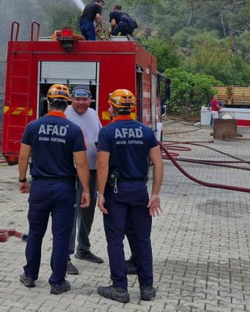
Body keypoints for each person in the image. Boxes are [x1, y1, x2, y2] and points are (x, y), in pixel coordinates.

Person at [17, 84, 90, 295]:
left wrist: (23, 180)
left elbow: (23, 156)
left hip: (39, 186)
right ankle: (57, 282)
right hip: (64, 188)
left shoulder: (33, 126)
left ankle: (30, 275)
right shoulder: (74, 130)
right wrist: (86, 190)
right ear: (66, 103)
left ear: (47, 102)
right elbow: (82, 164)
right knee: (60, 235)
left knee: (35, 233)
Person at [96, 89, 163, 304]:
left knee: (115, 240)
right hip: (139, 192)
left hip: (116, 191)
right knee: (142, 239)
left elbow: (103, 164)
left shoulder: (107, 132)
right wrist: (155, 194)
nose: (108, 108)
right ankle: (147, 287)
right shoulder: (145, 132)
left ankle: (119, 288)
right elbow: (158, 163)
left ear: (114, 108)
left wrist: (100, 193)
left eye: (109, 105)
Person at [65, 85, 104, 275]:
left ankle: (83, 248)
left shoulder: (94, 114)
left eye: (85, 99)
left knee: (88, 211)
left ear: (90, 99)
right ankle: (65, 255)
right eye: (77, 99)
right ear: (71, 99)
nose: (81, 103)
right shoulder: (66, 115)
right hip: (72, 172)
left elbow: (99, 137)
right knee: (71, 213)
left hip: (93, 170)